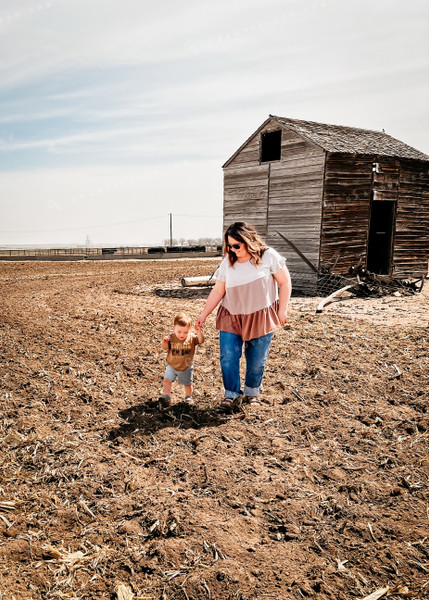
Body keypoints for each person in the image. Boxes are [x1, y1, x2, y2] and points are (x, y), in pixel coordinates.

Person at [195, 222, 291, 409]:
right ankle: (231, 394)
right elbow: (218, 290)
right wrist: (204, 314)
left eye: (236, 246)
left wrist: (282, 309)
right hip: (231, 316)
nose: (232, 250)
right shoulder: (227, 262)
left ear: (248, 241)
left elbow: (285, 282)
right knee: (228, 357)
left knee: (256, 360)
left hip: (260, 316)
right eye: (229, 246)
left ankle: (251, 393)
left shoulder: (268, 255)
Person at [160, 312, 204, 407]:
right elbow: (165, 348)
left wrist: (199, 332)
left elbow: (200, 341)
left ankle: (188, 397)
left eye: (185, 332)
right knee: (167, 381)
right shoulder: (171, 337)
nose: (182, 334)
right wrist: (164, 341)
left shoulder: (192, 337)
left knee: (187, 383)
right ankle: (166, 396)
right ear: (174, 329)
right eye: (179, 332)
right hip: (172, 365)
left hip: (186, 366)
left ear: (190, 330)